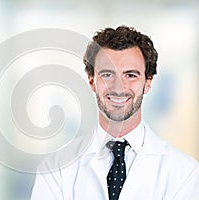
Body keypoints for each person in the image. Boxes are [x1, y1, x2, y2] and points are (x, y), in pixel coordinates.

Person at [30, 25, 199, 200]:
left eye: (131, 75)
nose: (119, 88)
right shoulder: (55, 168)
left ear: (148, 83)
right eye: (107, 74)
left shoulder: (184, 172)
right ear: (91, 81)